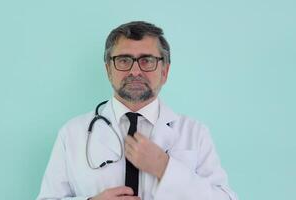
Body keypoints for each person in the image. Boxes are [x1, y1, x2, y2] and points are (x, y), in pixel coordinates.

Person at [37, 21, 237, 200]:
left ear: (164, 71)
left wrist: (164, 167)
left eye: (147, 61)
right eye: (124, 60)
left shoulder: (195, 133)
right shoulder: (72, 133)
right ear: (108, 70)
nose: (135, 71)